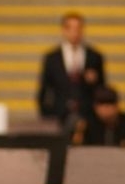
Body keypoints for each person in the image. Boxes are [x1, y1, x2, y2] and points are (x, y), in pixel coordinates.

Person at [37, 12, 105, 140]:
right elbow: (44, 89)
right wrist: (47, 114)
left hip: (88, 116)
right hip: (59, 115)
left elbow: (102, 88)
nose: (75, 32)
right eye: (71, 28)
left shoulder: (94, 56)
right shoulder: (52, 58)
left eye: (78, 28)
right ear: (64, 30)